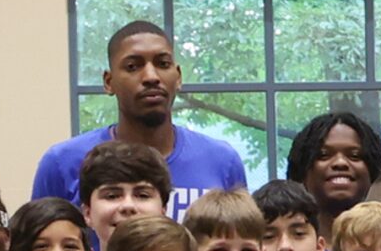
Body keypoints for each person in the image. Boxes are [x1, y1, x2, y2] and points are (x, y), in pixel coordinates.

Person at [36, 20, 248, 215]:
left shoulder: (222, 161)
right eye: (133, 67)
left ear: (179, 77)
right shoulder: (63, 162)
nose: (151, 77)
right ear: (109, 82)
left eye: (163, 64)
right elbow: (35, 250)